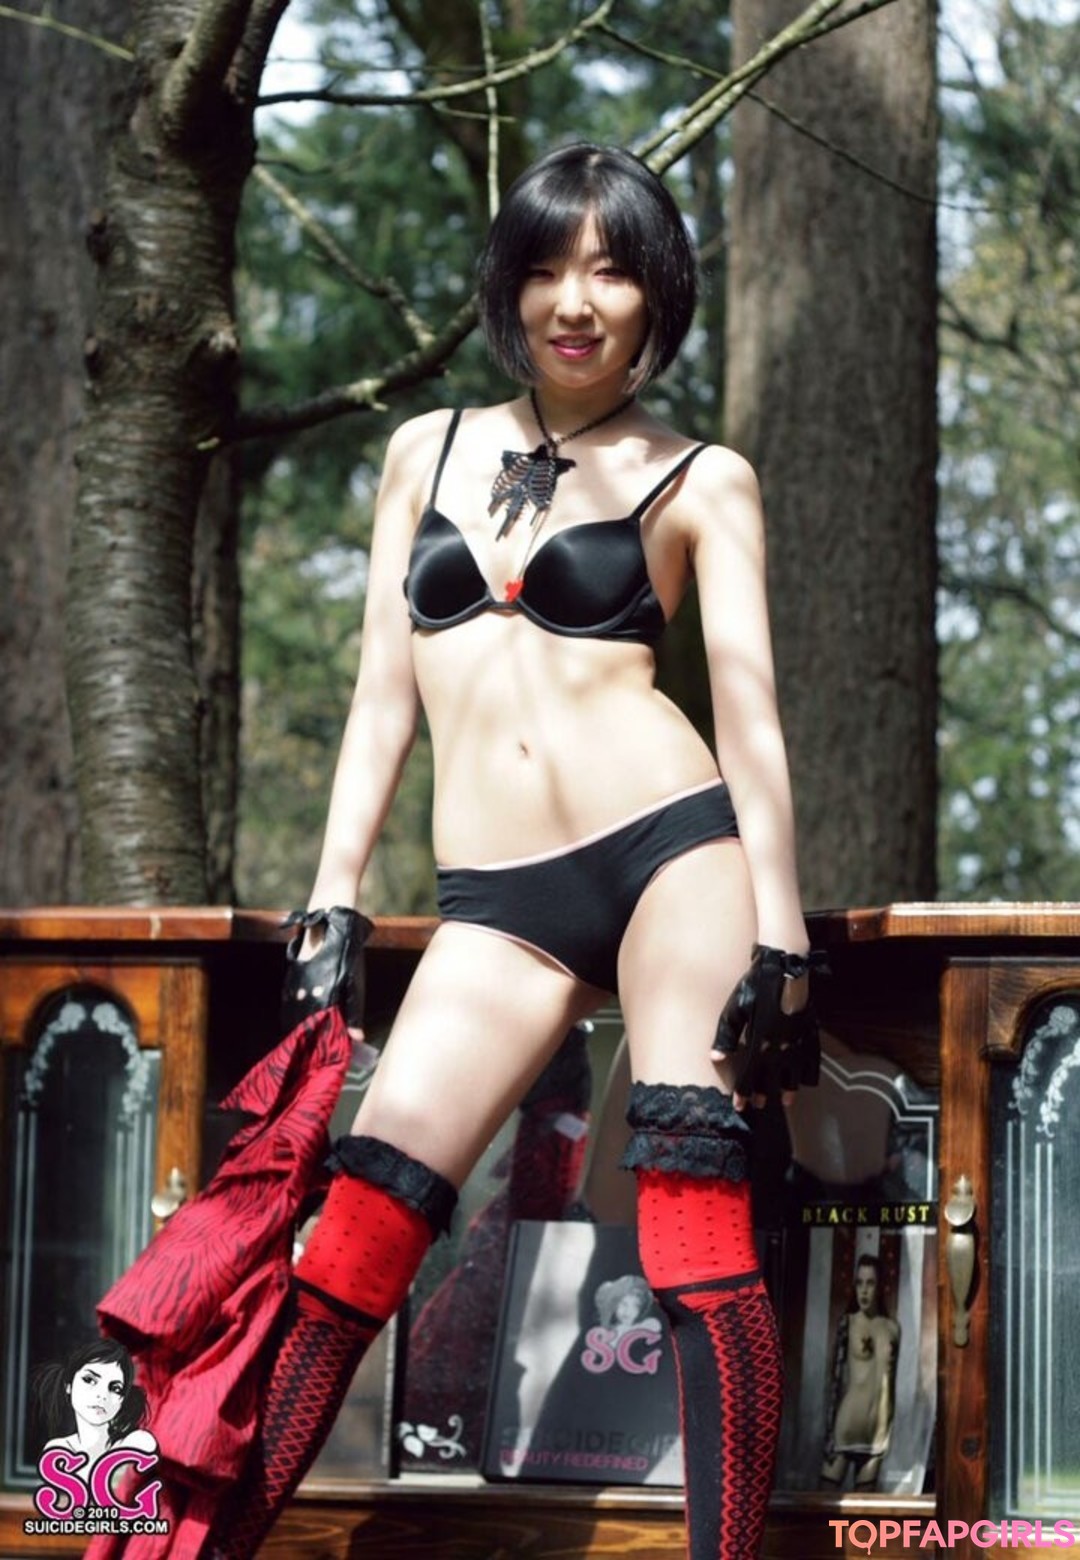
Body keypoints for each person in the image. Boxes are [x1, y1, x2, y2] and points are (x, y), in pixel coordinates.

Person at [211, 142, 821, 1559]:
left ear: (657, 292)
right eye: (546, 267)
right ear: (508, 284)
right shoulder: (422, 451)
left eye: (610, 271)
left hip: (672, 857)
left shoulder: (701, 477)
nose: (575, 300)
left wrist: (781, 932)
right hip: (494, 905)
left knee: (694, 1236)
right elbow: (382, 694)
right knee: (353, 1236)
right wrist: (333, 895)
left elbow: (751, 715)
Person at [820, 1253, 901, 1491]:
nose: (864, 1290)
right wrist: (829, 1435)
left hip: (876, 1436)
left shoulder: (893, 1329)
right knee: (824, 1505)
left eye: (870, 1283)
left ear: (880, 1286)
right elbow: (834, 1381)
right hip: (846, 1429)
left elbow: (892, 1384)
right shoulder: (848, 1324)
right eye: (859, 1283)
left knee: (864, 1510)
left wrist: (889, 1431)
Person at [35, 1340, 156, 1463]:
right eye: (89, 1380)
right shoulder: (58, 1449)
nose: (102, 1395)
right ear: (69, 1385)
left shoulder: (137, 1443)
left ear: (122, 1399)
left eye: (115, 1389)